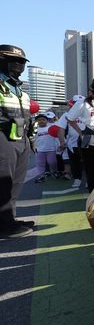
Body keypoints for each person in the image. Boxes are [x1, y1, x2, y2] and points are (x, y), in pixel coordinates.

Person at [0, 44, 35, 238]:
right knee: (3, 183)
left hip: (20, 138)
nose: (18, 65)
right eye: (13, 60)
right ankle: (3, 225)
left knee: (15, 182)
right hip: (3, 137)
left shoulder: (20, 90)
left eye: (21, 61)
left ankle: (9, 219)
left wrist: (30, 138)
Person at [66, 79, 94, 192]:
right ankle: (93, 202)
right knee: (92, 175)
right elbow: (70, 118)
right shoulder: (84, 102)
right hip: (90, 145)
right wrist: (81, 133)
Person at [56, 95, 86, 188]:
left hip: (87, 143)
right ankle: (77, 179)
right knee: (75, 163)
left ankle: (88, 180)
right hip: (72, 145)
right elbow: (61, 129)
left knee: (88, 163)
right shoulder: (66, 115)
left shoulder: (89, 113)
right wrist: (62, 142)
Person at [33, 113, 58, 183]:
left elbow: (56, 137)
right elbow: (32, 139)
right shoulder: (35, 130)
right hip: (40, 150)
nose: (41, 121)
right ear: (37, 121)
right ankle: (41, 176)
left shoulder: (50, 128)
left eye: (43, 120)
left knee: (52, 162)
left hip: (51, 149)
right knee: (40, 163)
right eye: (39, 120)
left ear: (47, 121)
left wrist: (58, 146)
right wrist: (34, 147)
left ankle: (54, 172)